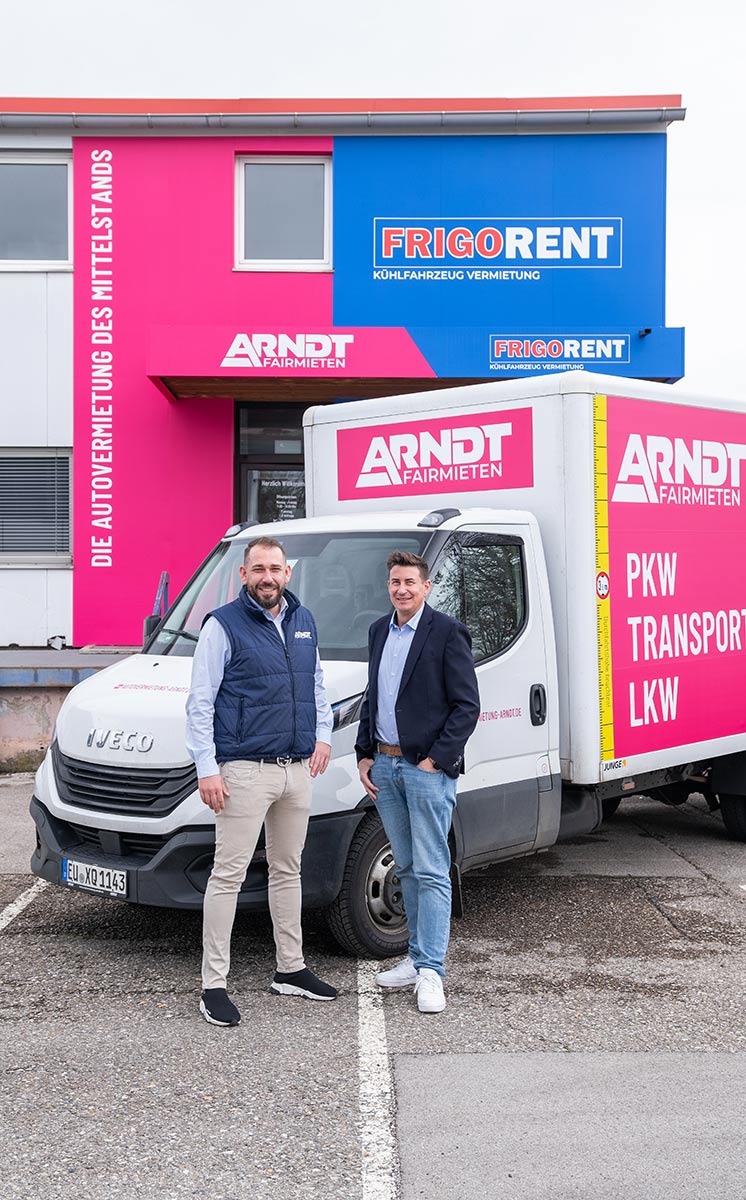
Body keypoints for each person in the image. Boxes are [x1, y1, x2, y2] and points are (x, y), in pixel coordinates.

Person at [185, 535, 337, 1027]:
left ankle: (290, 970)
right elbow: (200, 701)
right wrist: (206, 767)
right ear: (244, 575)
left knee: (286, 870)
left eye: (275, 568)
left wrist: (323, 736)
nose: (267, 577)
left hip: (296, 769)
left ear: (287, 574)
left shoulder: (303, 620)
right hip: (243, 771)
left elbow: (315, 685)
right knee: (227, 875)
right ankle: (213, 986)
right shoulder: (222, 625)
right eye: (258, 569)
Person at [355, 550, 480, 1013]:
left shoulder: (446, 633)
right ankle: (414, 957)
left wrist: (435, 761)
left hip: (424, 770)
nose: (401, 589)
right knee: (406, 867)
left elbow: (466, 706)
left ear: (426, 587)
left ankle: (432, 972)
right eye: (395, 582)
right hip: (384, 769)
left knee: (430, 869)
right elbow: (375, 697)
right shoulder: (377, 632)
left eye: (410, 582)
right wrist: (364, 754)